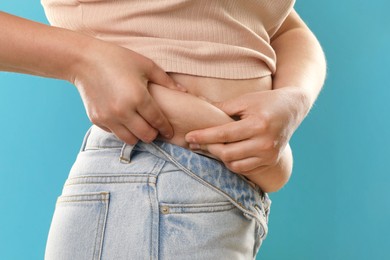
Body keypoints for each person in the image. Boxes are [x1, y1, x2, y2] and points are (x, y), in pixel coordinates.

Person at [0, 0, 326, 259]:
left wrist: (294, 97)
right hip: (153, 176)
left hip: (207, 193)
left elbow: (282, 25)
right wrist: (82, 59)